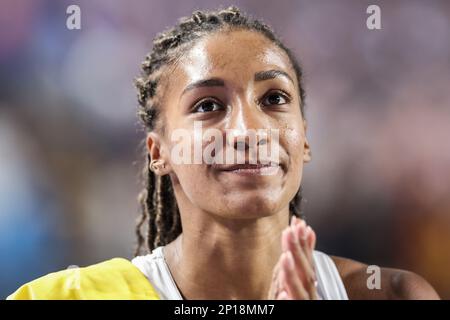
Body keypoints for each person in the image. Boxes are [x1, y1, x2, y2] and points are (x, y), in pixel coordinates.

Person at [7, 6, 439, 300]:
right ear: (159, 153)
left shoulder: (392, 293)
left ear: (304, 139)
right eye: (208, 106)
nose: (248, 128)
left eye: (273, 99)